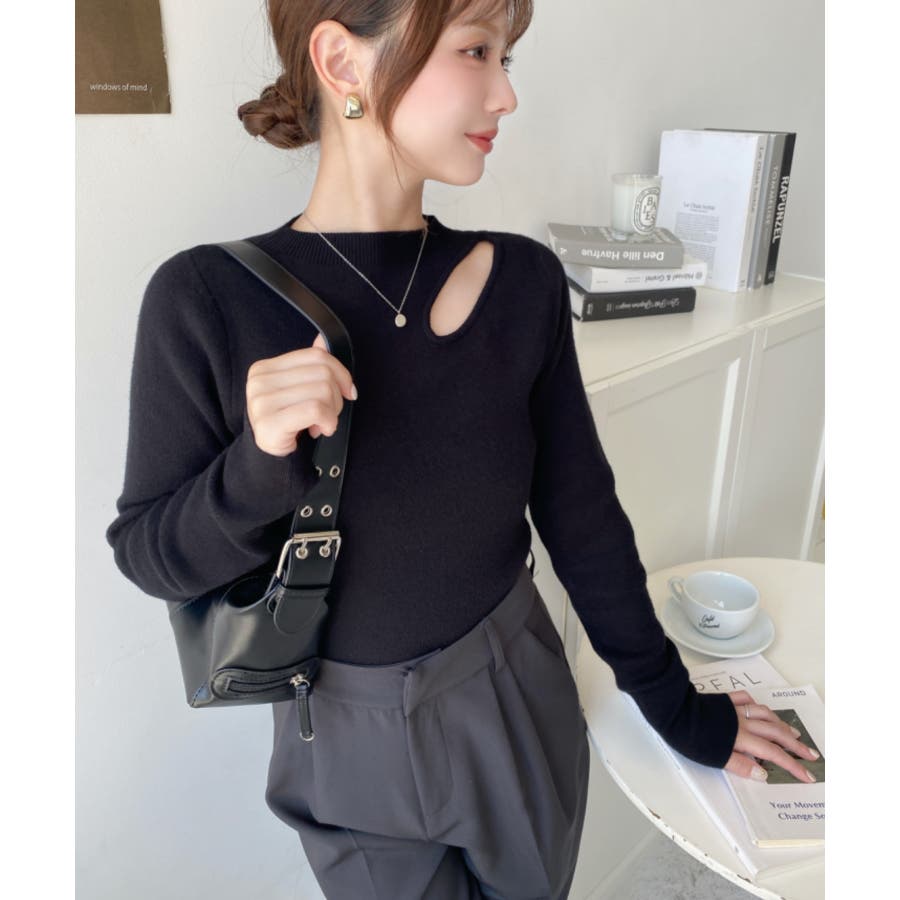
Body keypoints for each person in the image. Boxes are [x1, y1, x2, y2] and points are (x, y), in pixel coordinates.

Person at [106, 1, 820, 897]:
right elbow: (151, 558)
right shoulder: (206, 298)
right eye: (476, 50)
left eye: (506, 57)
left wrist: (680, 710)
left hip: (516, 689)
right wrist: (257, 465)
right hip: (342, 734)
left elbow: (583, 521)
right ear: (342, 62)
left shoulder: (523, 280)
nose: (506, 94)